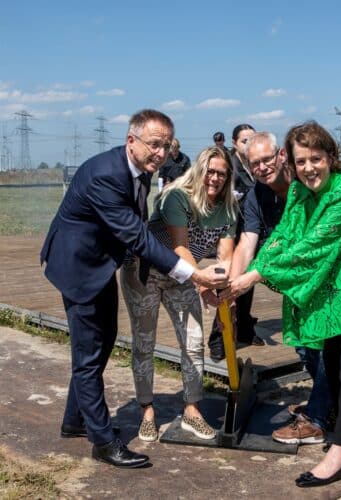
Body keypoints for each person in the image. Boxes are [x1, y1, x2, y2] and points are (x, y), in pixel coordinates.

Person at [223, 121, 341, 488]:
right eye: (302, 161)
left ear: (331, 157)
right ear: (291, 163)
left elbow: (311, 247)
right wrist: (243, 276)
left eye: (316, 159)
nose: (309, 168)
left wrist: (253, 278)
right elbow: (284, 238)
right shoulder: (299, 194)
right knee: (335, 358)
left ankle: (337, 454)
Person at [40, 109, 227, 469]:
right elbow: (138, 235)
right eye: (153, 145)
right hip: (79, 268)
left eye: (165, 146)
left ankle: (75, 420)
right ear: (131, 140)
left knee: (103, 340)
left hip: (99, 265)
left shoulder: (139, 170)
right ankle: (103, 441)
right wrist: (193, 274)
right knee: (88, 355)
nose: (160, 153)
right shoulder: (105, 175)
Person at [121, 146, 237, 442]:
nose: (214, 178)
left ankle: (191, 409)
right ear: (199, 170)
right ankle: (147, 409)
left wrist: (223, 294)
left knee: (194, 341)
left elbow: (226, 257)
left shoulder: (229, 208)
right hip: (146, 270)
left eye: (221, 174)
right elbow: (180, 247)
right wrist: (203, 285)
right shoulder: (177, 196)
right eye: (210, 171)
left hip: (184, 275)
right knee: (145, 341)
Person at [226, 131, 333, 444]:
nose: (262, 167)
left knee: (323, 345)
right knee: (303, 345)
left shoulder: (306, 185)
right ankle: (325, 402)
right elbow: (247, 243)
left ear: (282, 156)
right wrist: (233, 288)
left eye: (267, 159)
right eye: (254, 163)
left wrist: (254, 276)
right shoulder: (255, 197)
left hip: (326, 279)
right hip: (294, 285)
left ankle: (317, 417)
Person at [208, 123, 263, 360]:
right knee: (227, 284)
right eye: (244, 141)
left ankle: (244, 329)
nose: (248, 145)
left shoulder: (255, 166)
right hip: (230, 233)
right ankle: (217, 340)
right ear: (234, 142)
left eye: (252, 140)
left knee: (246, 286)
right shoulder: (230, 167)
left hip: (251, 233)